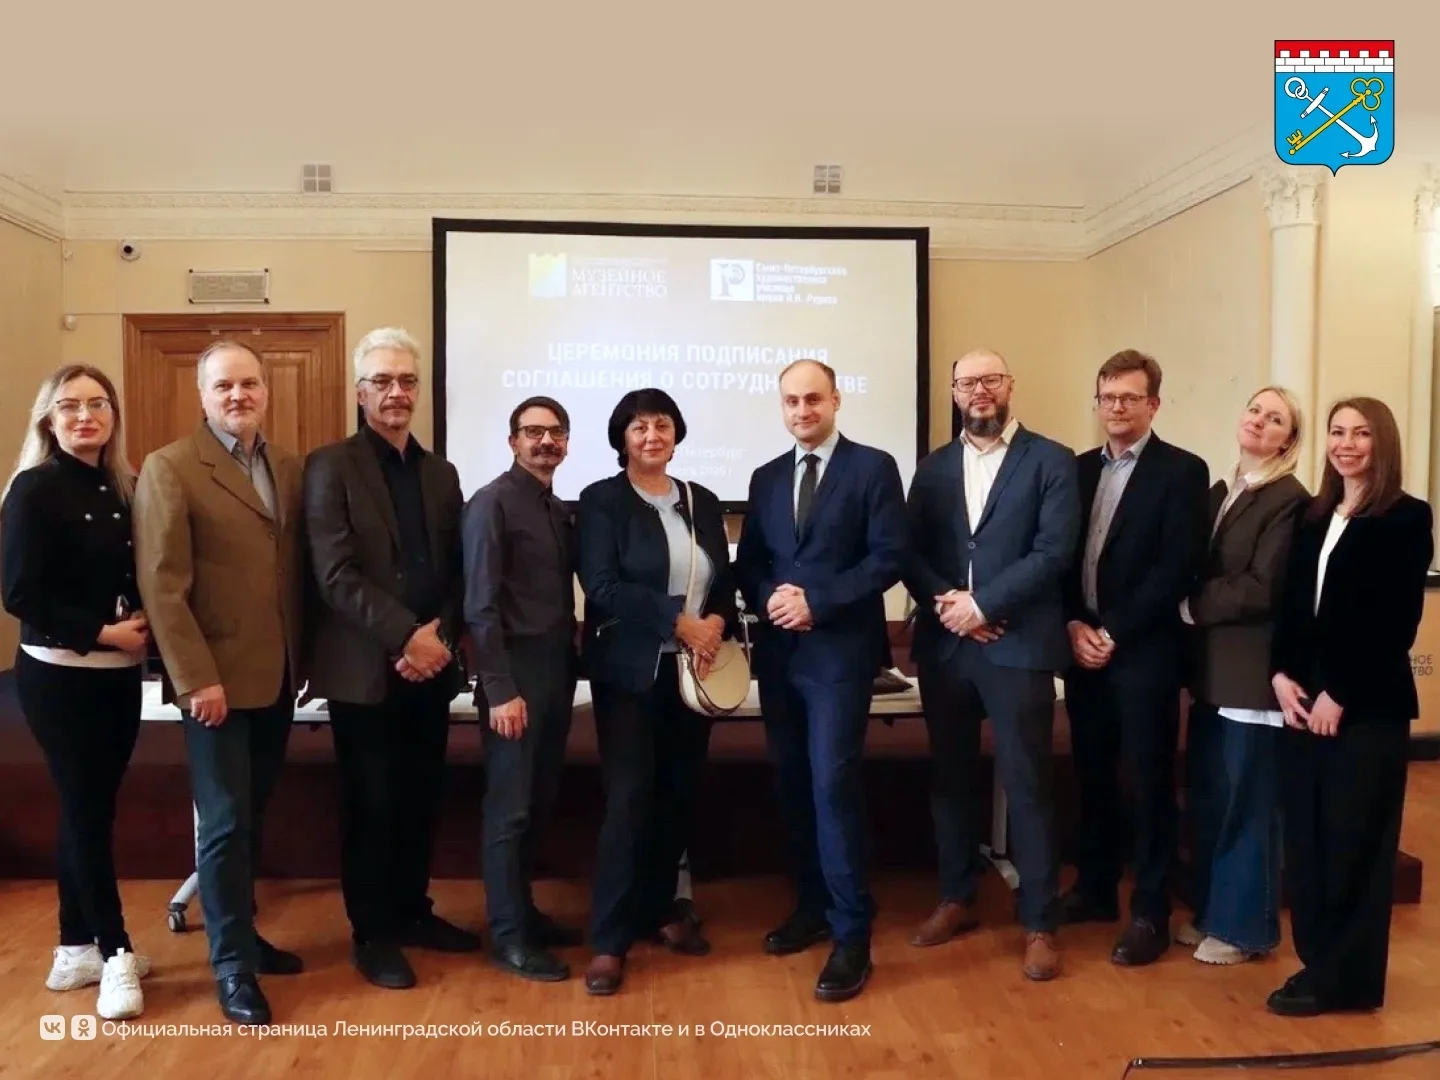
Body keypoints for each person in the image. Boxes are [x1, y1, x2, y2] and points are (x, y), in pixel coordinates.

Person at [302, 327, 481, 990]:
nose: (396, 392)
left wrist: (439, 637)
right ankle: (372, 933)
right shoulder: (330, 466)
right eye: (382, 381)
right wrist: (408, 636)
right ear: (360, 392)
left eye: (406, 381)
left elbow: (458, 570)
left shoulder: (441, 472)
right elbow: (334, 573)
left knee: (421, 797)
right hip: (366, 671)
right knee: (371, 804)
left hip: (429, 669)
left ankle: (412, 912)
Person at [133, 340, 305, 1025]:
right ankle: (231, 965)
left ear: (266, 390)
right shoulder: (171, 467)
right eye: (224, 386)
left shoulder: (286, 467)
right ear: (202, 395)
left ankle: (247, 938)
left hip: (278, 677)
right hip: (214, 685)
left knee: (251, 815)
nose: (239, 396)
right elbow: (162, 585)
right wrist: (193, 679)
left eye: (249, 384)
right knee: (226, 822)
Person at [903, 348, 1080, 981]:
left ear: (1010, 386)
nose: (979, 391)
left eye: (990, 380)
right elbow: (910, 553)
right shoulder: (932, 468)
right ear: (954, 393)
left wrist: (984, 605)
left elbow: (1054, 551)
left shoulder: (1052, 460)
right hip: (948, 649)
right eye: (967, 382)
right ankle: (957, 898)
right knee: (950, 780)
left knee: (1028, 783)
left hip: (1018, 646)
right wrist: (952, 606)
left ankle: (1039, 922)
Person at [734, 358, 906, 1002]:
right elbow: (752, 561)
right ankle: (812, 906)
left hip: (839, 655)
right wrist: (770, 597)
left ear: (836, 400)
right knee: (794, 785)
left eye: (813, 398)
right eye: (791, 401)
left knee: (833, 787)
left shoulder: (873, 467)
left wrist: (818, 601)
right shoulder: (766, 476)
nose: (802, 410)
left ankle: (852, 934)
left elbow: (888, 557)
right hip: (781, 656)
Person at [1266, 396, 1433, 1016]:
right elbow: (1291, 608)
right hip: (1304, 701)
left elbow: (1394, 622)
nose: (1346, 444)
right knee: (1309, 844)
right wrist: (1280, 675)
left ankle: (1349, 980)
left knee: (1353, 846)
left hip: (1365, 708)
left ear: (1381, 442)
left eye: (1360, 433)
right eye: (1337, 432)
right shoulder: (1313, 516)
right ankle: (1318, 965)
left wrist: (1341, 691)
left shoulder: (1406, 517)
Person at [575, 388, 738, 995]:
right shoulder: (603, 500)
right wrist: (677, 620)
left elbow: (723, 580)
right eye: (639, 427)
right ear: (622, 437)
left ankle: (659, 909)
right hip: (630, 673)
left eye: (662, 425)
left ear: (676, 434)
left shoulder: (701, 500)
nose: (652, 436)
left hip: (694, 675)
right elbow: (601, 585)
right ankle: (609, 939)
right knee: (628, 801)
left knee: (677, 794)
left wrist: (714, 620)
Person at [0, 365, 151, 1021]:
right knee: (87, 812)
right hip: (58, 675)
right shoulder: (32, 489)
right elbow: (19, 594)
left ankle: (73, 950)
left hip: (119, 677)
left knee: (88, 808)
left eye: (97, 404)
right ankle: (115, 952)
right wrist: (103, 633)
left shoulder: (125, 486)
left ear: (113, 415)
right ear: (49, 418)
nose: (84, 415)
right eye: (69, 405)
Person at [1060, 349, 1210, 966]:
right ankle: (1096, 888)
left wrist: (1113, 631)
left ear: (1153, 404)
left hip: (1143, 652)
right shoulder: (1075, 470)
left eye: (1129, 397)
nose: (1116, 407)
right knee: (1092, 773)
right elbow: (1060, 557)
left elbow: (1178, 566)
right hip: (1082, 648)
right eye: (1108, 397)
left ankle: (1150, 910)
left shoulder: (1183, 471)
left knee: (1148, 782)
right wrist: (1074, 624)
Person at [1179, 386, 1307, 965]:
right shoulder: (1223, 490)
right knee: (1212, 800)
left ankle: (1246, 930)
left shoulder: (1289, 500)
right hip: (1210, 675)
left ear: (1289, 439)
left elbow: (1262, 587)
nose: (1259, 421)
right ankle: (1214, 913)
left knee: (1248, 806)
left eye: (1275, 418)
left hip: (1253, 679)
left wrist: (1190, 605)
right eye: (1255, 410)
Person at [464, 394, 584, 982]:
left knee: (538, 801)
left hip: (556, 670)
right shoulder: (491, 503)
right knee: (510, 809)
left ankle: (526, 914)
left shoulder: (557, 509)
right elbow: (479, 605)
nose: (545, 441)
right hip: (514, 673)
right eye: (533, 431)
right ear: (513, 441)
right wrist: (500, 688)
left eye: (555, 432)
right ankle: (508, 937)